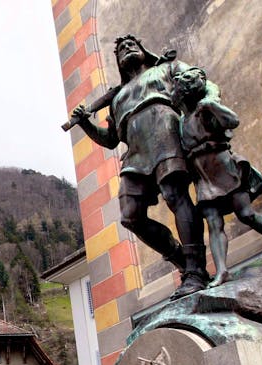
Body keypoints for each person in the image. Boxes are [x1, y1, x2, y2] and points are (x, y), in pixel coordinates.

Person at [71, 35, 219, 299]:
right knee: (130, 215)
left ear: (144, 50)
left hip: (164, 130)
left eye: (132, 45)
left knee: (176, 195)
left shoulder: (166, 69)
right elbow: (110, 139)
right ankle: (181, 260)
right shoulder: (118, 97)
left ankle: (196, 269)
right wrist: (85, 123)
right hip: (136, 153)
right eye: (120, 50)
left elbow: (199, 80)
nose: (127, 49)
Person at [172, 67, 262, 286]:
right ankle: (222, 271)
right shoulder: (182, 122)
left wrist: (212, 105)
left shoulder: (205, 109)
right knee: (213, 223)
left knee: (246, 214)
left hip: (225, 169)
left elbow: (233, 120)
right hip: (204, 178)